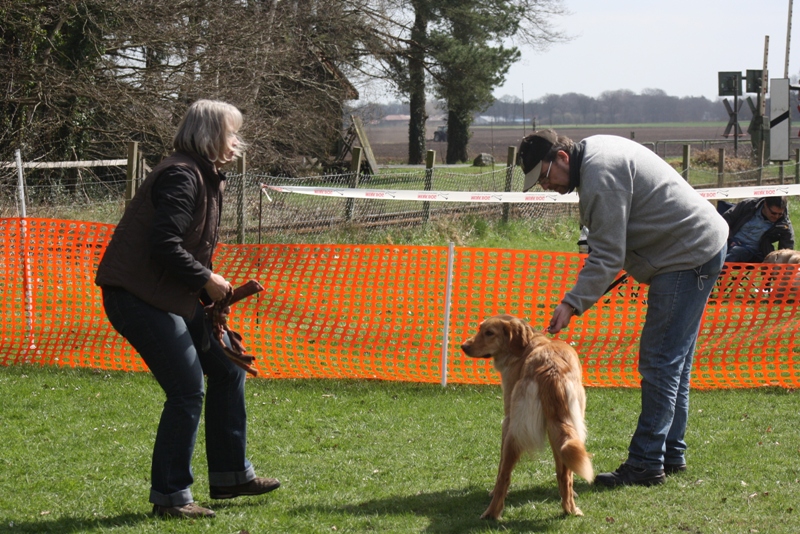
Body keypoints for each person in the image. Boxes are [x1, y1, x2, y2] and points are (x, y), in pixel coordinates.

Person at [95, 99, 279, 519]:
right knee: (186, 389)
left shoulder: (204, 175)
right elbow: (165, 245)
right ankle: (171, 497)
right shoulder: (181, 174)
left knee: (228, 368)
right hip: (135, 296)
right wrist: (207, 279)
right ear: (210, 135)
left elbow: (187, 248)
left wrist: (206, 295)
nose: (237, 142)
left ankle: (232, 475)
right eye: (231, 133)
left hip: (168, 296)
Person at [518, 129, 728, 487]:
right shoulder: (595, 156)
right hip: (698, 246)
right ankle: (669, 452)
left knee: (660, 361)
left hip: (686, 255)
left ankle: (646, 462)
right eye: (540, 182)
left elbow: (607, 256)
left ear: (562, 157)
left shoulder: (600, 174)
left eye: (545, 176)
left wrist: (571, 303)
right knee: (674, 362)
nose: (546, 185)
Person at [722, 196, 794, 262]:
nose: (776, 216)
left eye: (780, 214)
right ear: (765, 204)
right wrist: (730, 239)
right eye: (773, 213)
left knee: (736, 252)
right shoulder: (748, 204)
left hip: (753, 251)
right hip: (730, 240)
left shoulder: (784, 224)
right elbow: (724, 220)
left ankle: (719, 270)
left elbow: (787, 248)